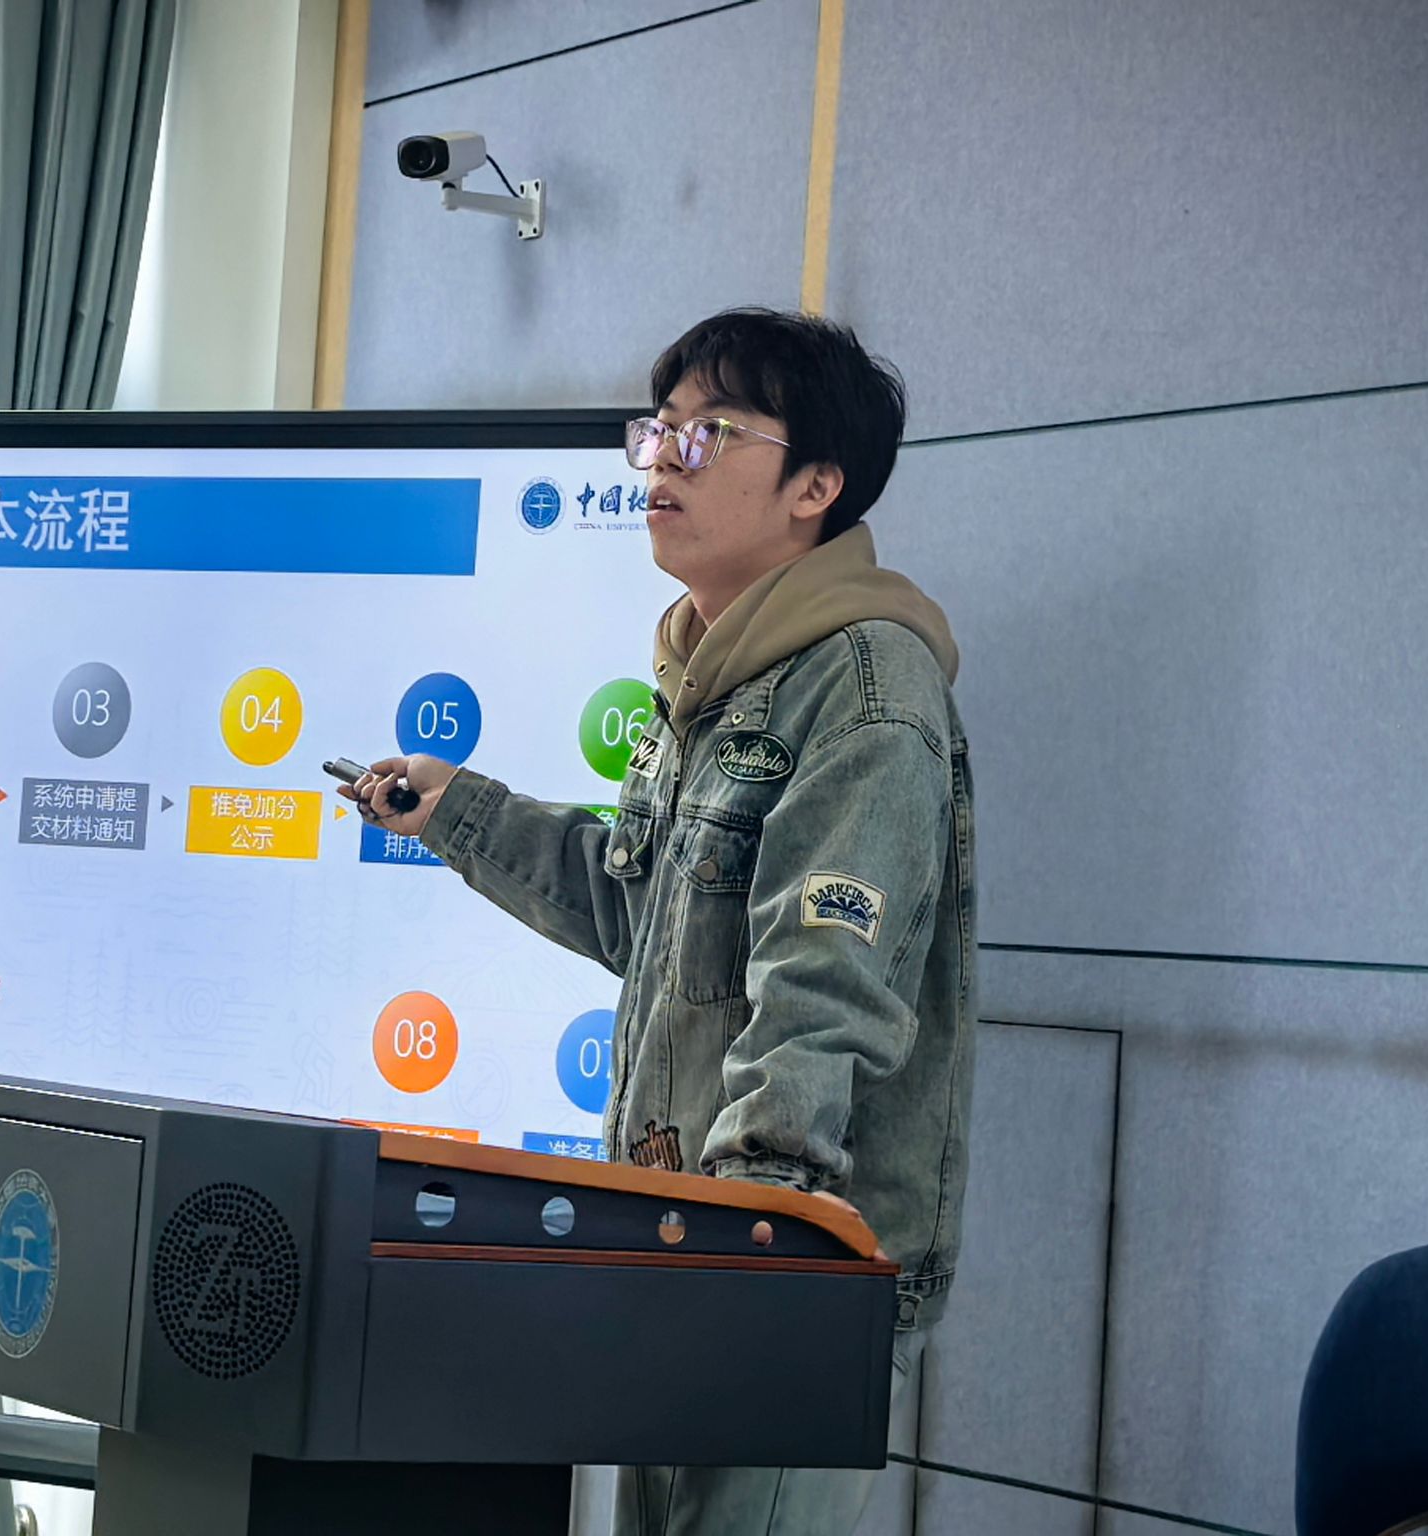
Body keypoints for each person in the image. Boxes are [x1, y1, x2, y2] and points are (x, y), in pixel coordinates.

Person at [344, 307, 976, 1535]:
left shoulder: (863, 691)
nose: (662, 459)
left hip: (779, 1277)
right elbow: (642, 919)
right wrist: (457, 811)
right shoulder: (715, 679)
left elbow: (821, 994)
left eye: (712, 431)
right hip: (683, 1246)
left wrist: (749, 1252)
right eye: (660, 429)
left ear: (816, 487)